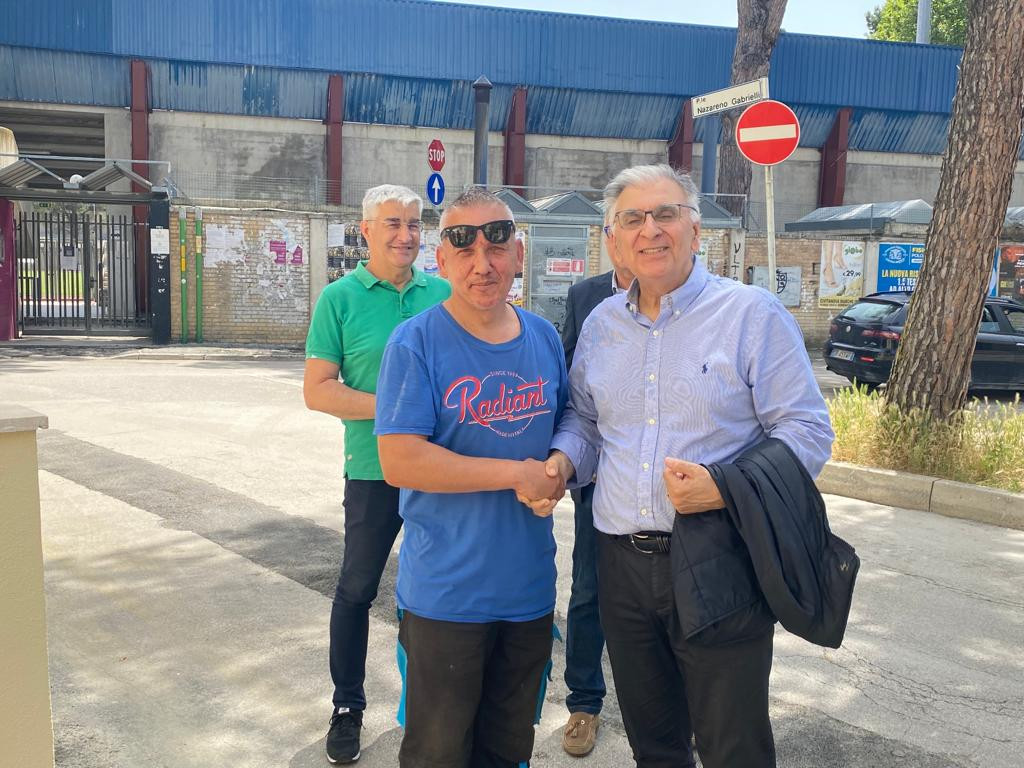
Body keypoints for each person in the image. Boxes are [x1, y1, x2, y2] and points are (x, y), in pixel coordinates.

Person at [535, 164, 834, 768]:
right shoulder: (601, 324)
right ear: (614, 240)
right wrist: (563, 463)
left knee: (732, 746)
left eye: (665, 214)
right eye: (633, 219)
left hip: (719, 557)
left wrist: (725, 487)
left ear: (696, 231)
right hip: (619, 562)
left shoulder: (750, 315)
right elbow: (586, 421)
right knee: (654, 743)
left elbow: (807, 431)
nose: (650, 230)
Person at [374, 187, 568, 768]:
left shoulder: (544, 337)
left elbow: (569, 426)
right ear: (441, 259)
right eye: (464, 250)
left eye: (496, 246)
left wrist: (559, 467)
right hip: (446, 596)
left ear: (519, 254)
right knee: (438, 755)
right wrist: (516, 474)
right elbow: (401, 460)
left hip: (528, 591)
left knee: (509, 752)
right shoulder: (415, 343)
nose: (482, 264)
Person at [303, 184, 450, 764]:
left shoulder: (443, 293)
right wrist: (397, 408)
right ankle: (347, 706)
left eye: (415, 224)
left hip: (441, 469)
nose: (406, 235)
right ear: (365, 231)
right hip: (372, 470)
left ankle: (431, 705)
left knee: (436, 592)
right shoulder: (338, 299)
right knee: (357, 589)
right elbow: (318, 391)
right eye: (393, 224)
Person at [557, 209, 633, 757]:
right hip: (599, 475)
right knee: (588, 590)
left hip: (665, 477)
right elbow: (571, 382)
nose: (633, 238)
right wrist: (567, 459)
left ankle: (677, 702)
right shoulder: (585, 296)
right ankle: (584, 702)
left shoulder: (699, 302)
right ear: (608, 239)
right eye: (620, 227)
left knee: (671, 595)